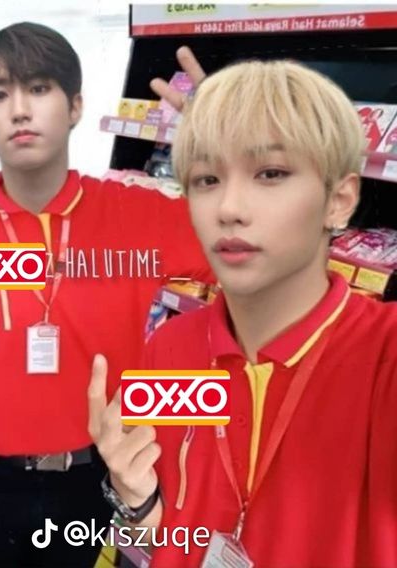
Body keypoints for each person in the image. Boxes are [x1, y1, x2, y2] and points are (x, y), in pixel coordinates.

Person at [0, 22, 212, 567]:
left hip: (101, 483)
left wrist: (221, 147)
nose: (20, 110)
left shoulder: (135, 218)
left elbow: (245, 234)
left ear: (74, 106)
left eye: (39, 88)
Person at [89, 59, 397, 567]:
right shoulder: (170, 349)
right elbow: (166, 537)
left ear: (339, 201)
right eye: (207, 178)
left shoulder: (382, 358)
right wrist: (135, 496)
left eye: (270, 173)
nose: (229, 207)